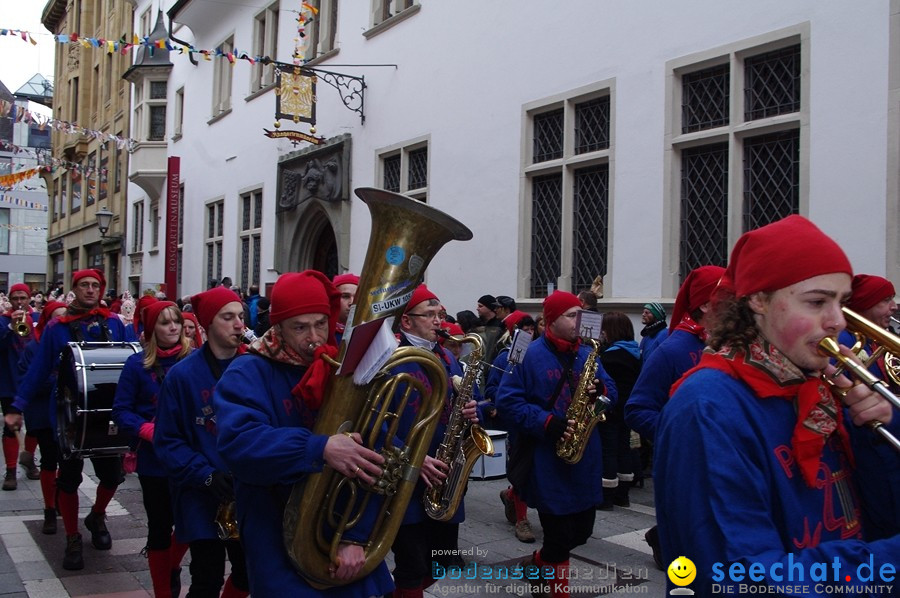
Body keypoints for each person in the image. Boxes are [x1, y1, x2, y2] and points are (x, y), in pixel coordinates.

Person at [655, 215, 899, 596]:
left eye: (842, 303)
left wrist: (875, 438)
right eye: (817, 301)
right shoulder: (707, 409)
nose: (837, 322)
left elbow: (874, 520)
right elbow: (740, 578)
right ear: (759, 300)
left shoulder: (821, 389)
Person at [213, 270, 393, 596]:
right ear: (277, 327)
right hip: (276, 535)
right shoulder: (248, 370)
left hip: (344, 529)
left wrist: (356, 536)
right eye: (300, 327)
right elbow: (238, 443)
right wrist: (318, 448)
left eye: (321, 323)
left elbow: (373, 452)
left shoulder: (342, 368)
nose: (314, 337)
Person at [5, 269, 137, 570]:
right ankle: (72, 536)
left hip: (106, 415)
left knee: (112, 476)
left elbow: (133, 366)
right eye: (84, 285)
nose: (90, 290)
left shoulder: (115, 324)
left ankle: (97, 515)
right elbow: (38, 369)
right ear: (74, 289)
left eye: (95, 285)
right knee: (68, 479)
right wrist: (17, 406)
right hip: (68, 417)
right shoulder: (57, 327)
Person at [496, 291, 618, 598]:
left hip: (585, 456)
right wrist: (548, 422)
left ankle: (537, 563)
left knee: (582, 532)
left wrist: (600, 389)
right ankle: (555, 591)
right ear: (550, 321)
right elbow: (507, 401)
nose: (579, 320)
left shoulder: (588, 353)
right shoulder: (525, 353)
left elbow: (611, 391)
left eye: (580, 313)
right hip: (547, 458)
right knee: (559, 535)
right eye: (571, 315)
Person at [153, 287, 250, 598]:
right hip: (200, 493)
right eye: (228, 317)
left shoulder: (255, 367)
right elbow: (167, 441)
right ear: (207, 325)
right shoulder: (181, 376)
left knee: (249, 573)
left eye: (241, 317)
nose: (239, 325)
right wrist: (205, 475)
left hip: (247, 492)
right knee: (205, 578)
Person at [625, 264, 724, 567]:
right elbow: (637, 409)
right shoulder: (672, 350)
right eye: (730, 296)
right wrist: (682, 434)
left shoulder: (726, 343)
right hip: (685, 463)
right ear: (706, 304)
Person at [389, 284, 480, 598]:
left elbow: (467, 398)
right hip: (406, 479)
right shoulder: (392, 360)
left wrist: (471, 409)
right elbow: (376, 427)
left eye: (439, 313)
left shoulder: (447, 356)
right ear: (406, 321)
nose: (438, 320)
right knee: (412, 568)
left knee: (441, 564)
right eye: (428, 315)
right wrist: (410, 458)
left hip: (445, 475)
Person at [112, 302, 192, 598]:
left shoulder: (194, 360)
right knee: (160, 527)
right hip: (155, 461)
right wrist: (146, 429)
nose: (173, 328)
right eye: (164, 323)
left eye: (176, 322)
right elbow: (121, 410)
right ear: (150, 330)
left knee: (189, 523)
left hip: (189, 457)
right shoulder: (136, 365)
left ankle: (170, 565)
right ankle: (162, 590)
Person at [837, 274, 899, 541]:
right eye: (885, 300)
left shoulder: (877, 338)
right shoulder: (846, 341)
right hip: (871, 450)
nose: (894, 306)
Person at [16, 300, 67, 534]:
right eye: (56, 317)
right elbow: (30, 377)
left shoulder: (71, 343)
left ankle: (60, 501)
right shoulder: (34, 347)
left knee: (66, 463)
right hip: (43, 411)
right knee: (49, 460)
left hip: (66, 412)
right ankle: (49, 508)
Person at [596, 312, 641, 510]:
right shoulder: (635, 352)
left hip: (612, 408)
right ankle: (622, 494)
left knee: (608, 450)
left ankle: (606, 495)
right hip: (628, 407)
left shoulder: (611, 355)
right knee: (624, 447)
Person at [0, 283, 39, 490]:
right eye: (15, 298)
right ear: (10, 300)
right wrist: (9, 327)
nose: (19, 302)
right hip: (9, 382)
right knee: (11, 428)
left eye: (23, 298)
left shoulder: (38, 319)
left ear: (29, 299)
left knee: (35, 426)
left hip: (33, 382)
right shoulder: (2, 321)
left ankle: (29, 459)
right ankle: (11, 470)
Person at [333, 272, 359, 344]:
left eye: (356, 296)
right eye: (345, 296)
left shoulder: (367, 331)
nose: (352, 302)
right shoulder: (325, 333)